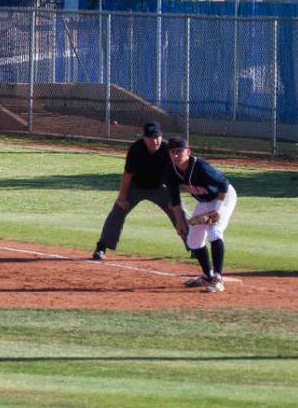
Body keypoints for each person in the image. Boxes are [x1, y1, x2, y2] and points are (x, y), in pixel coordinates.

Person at [92, 121, 187, 260]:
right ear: (144, 138)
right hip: (136, 187)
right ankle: (102, 247)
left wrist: (174, 200)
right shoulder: (136, 149)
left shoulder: (168, 150)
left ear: (162, 136)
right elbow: (128, 174)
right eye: (150, 137)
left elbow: (173, 176)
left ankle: (194, 247)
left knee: (179, 212)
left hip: (160, 187)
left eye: (157, 137)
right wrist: (122, 197)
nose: (154, 141)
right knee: (117, 212)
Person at [163, 138, 237, 293]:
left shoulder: (200, 167)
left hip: (223, 197)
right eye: (172, 152)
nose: (176, 155)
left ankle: (217, 278)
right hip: (205, 202)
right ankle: (207, 275)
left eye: (179, 151)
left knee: (214, 231)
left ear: (188, 152)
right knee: (193, 239)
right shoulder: (170, 170)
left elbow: (223, 183)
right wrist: (180, 221)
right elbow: (174, 198)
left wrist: (216, 209)